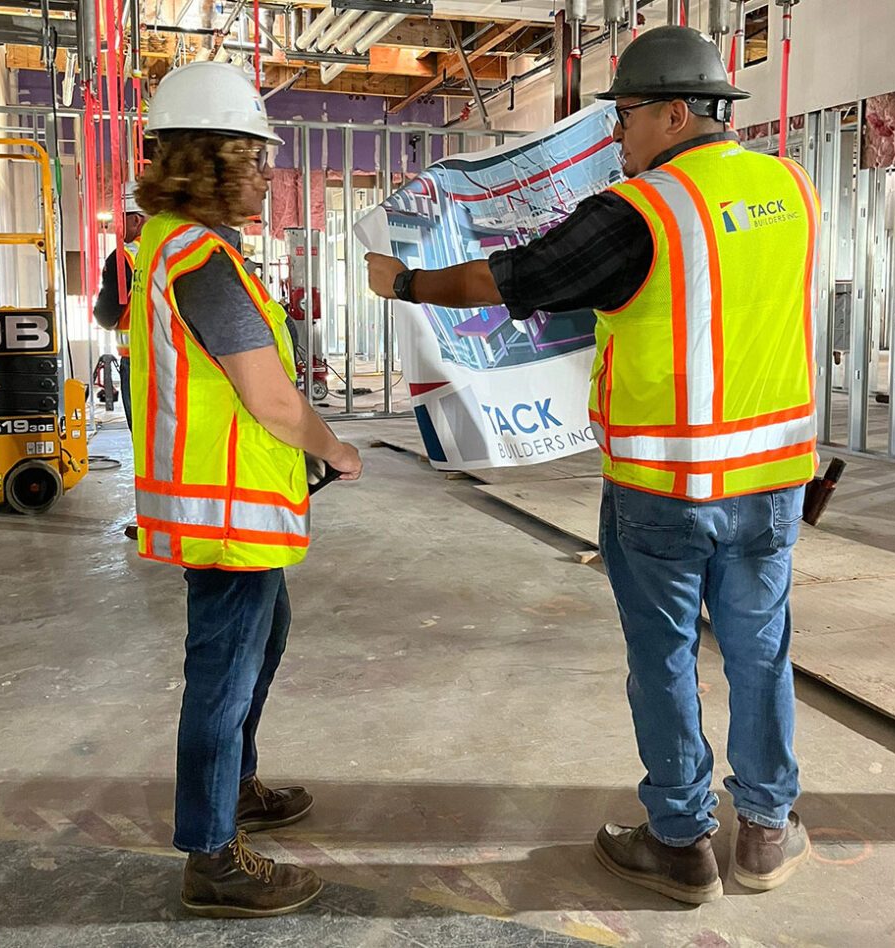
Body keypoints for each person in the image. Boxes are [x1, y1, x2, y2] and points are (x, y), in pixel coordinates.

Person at [366, 25, 817, 905]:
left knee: (666, 657)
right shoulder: (789, 185)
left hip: (667, 488)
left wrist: (407, 285)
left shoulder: (644, 210)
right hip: (772, 480)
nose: (618, 134)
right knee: (761, 651)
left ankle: (682, 840)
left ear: (677, 113)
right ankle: (766, 830)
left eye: (630, 115)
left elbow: (512, 281)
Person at [131, 60, 363, 918]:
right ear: (210, 160)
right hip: (224, 509)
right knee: (225, 674)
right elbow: (267, 396)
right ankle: (210, 855)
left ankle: (238, 790)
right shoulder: (201, 261)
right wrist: (336, 446)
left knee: (259, 647)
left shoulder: (176, 247)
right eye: (256, 158)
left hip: (224, 502)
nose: (270, 173)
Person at [94, 182, 146, 540]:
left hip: (137, 364)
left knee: (144, 442)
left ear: (138, 219)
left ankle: (152, 519)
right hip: (174, 361)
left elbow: (107, 313)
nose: (117, 226)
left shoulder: (122, 258)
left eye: (121, 219)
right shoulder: (164, 254)